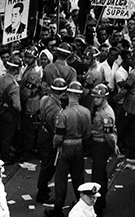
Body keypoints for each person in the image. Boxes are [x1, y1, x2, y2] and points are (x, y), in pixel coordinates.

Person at [47, 81, 92, 217]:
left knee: (61, 180)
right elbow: (87, 134)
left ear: (69, 94)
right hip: (79, 147)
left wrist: (55, 145)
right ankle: (81, 205)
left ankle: (57, 209)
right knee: (78, 178)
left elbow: (58, 137)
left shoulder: (63, 114)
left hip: (65, 148)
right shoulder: (86, 112)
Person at [36, 77, 67, 204]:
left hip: (43, 133)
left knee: (45, 163)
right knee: (49, 165)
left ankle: (43, 187)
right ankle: (41, 192)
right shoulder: (57, 110)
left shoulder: (44, 99)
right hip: (50, 137)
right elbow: (57, 128)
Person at [90, 84, 117, 216]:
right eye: (94, 97)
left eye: (98, 97)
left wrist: (113, 147)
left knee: (98, 177)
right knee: (101, 175)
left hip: (101, 145)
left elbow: (109, 136)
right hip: (98, 144)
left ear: (104, 98)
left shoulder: (106, 114)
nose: (95, 99)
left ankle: (97, 207)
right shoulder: (99, 109)